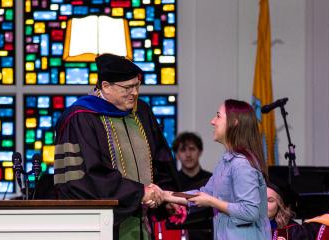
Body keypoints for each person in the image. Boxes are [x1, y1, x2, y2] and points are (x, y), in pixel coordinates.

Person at [53, 53, 179, 240]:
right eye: (127, 87)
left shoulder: (141, 112)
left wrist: (166, 196)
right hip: (99, 227)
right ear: (106, 86)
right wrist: (139, 193)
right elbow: (86, 178)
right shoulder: (82, 117)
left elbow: (160, 159)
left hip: (141, 222)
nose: (134, 93)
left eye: (137, 85)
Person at [163, 99, 271, 239]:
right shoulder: (226, 160)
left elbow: (250, 211)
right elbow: (204, 193)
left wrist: (211, 201)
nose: (212, 121)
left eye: (218, 116)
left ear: (234, 122)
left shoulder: (241, 164)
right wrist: (165, 195)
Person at [171, 132, 213, 239]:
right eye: (183, 150)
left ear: (200, 152)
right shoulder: (171, 183)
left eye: (192, 149)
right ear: (177, 155)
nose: (188, 154)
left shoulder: (212, 180)